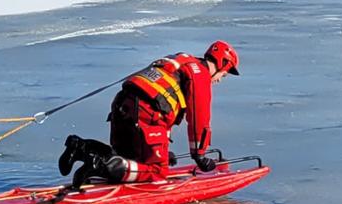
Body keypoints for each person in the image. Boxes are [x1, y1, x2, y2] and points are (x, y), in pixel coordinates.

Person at [58, 41, 240, 187]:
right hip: (147, 112)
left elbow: (164, 102)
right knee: (157, 172)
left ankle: (81, 148)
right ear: (222, 65)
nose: (219, 80)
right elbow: (199, 120)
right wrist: (199, 156)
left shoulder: (180, 60)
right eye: (223, 76)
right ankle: (100, 165)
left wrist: (161, 152)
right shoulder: (200, 75)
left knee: (130, 158)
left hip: (123, 103)